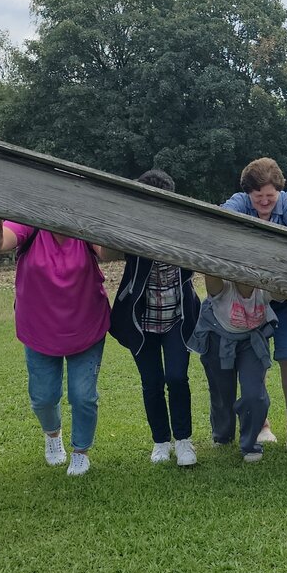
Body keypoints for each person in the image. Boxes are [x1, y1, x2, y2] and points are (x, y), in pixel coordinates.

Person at [0, 209, 110, 477]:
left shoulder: (84, 224)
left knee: (83, 396)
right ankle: (53, 435)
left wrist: (109, 222)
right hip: (39, 328)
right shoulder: (30, 222)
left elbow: (109, 253)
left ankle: (81, 452)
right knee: (43, 397)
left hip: (86, 323)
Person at [221, 157, 287, 451]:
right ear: (248, 193)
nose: (264, 202)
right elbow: (221, 220)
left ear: (279, 191)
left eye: (270, 196)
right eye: (258, 196)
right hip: (251, 300)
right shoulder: (239, 202)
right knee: (254, 362)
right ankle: (262, 425)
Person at [108, 169, 200, 469]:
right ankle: (161, 441)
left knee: (177, 377)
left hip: (177, 315)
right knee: (151, 382)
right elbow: (106, 251)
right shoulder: (131, 230)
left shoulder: (183, 230)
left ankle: (184, 440)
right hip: (141, 318)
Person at [187, 268, 277, 463]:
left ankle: (250, 442)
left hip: (251, 341)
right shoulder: (222, 284)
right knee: (222, 392)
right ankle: (223, 435)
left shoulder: (264, 285)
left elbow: (284, 291)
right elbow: (211, 274)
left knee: (254, 394)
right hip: (219, 338)